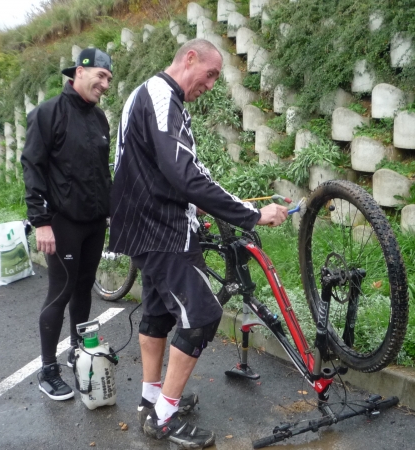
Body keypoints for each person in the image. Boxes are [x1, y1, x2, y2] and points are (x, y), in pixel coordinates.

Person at [108, 39, 289, 448]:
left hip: (149, 225)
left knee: (158, 313)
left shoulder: (155, 96)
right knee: (203, 315)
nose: (210, 85)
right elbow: (184, 174)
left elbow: (183, 169)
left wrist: (220, 204)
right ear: (189, 58)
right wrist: (251, 214)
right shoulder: (161, 97)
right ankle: (163, 418)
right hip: (160, 229)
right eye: (210, 74)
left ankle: (151, 399)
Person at [21, 48, 114, 401]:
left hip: (94, 222)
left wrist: (111, 210)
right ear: (79, 72)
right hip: (62, 223)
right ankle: (48, 370)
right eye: (101, 76)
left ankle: (79, 351)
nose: (105, 84)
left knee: (84, 288)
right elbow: (32, 168)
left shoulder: (99, 118)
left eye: (109, 79)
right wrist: (41, 222)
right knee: (60, 292)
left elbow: (102, 173)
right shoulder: (47, 113)